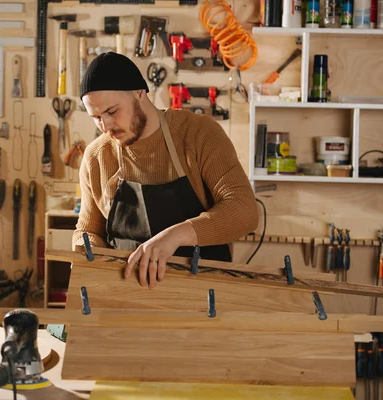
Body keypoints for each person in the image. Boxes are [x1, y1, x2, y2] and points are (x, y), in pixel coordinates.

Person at [72, 52, 258, 288]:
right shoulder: (96, 156)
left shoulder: (198, 134)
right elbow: (88, 229)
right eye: (96, 117)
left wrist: (176, 236)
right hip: (127, 293)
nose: (105, 126)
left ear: (139, 92)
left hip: (203, 293)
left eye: (112, 112)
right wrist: (84, 249)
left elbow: (244, 210)